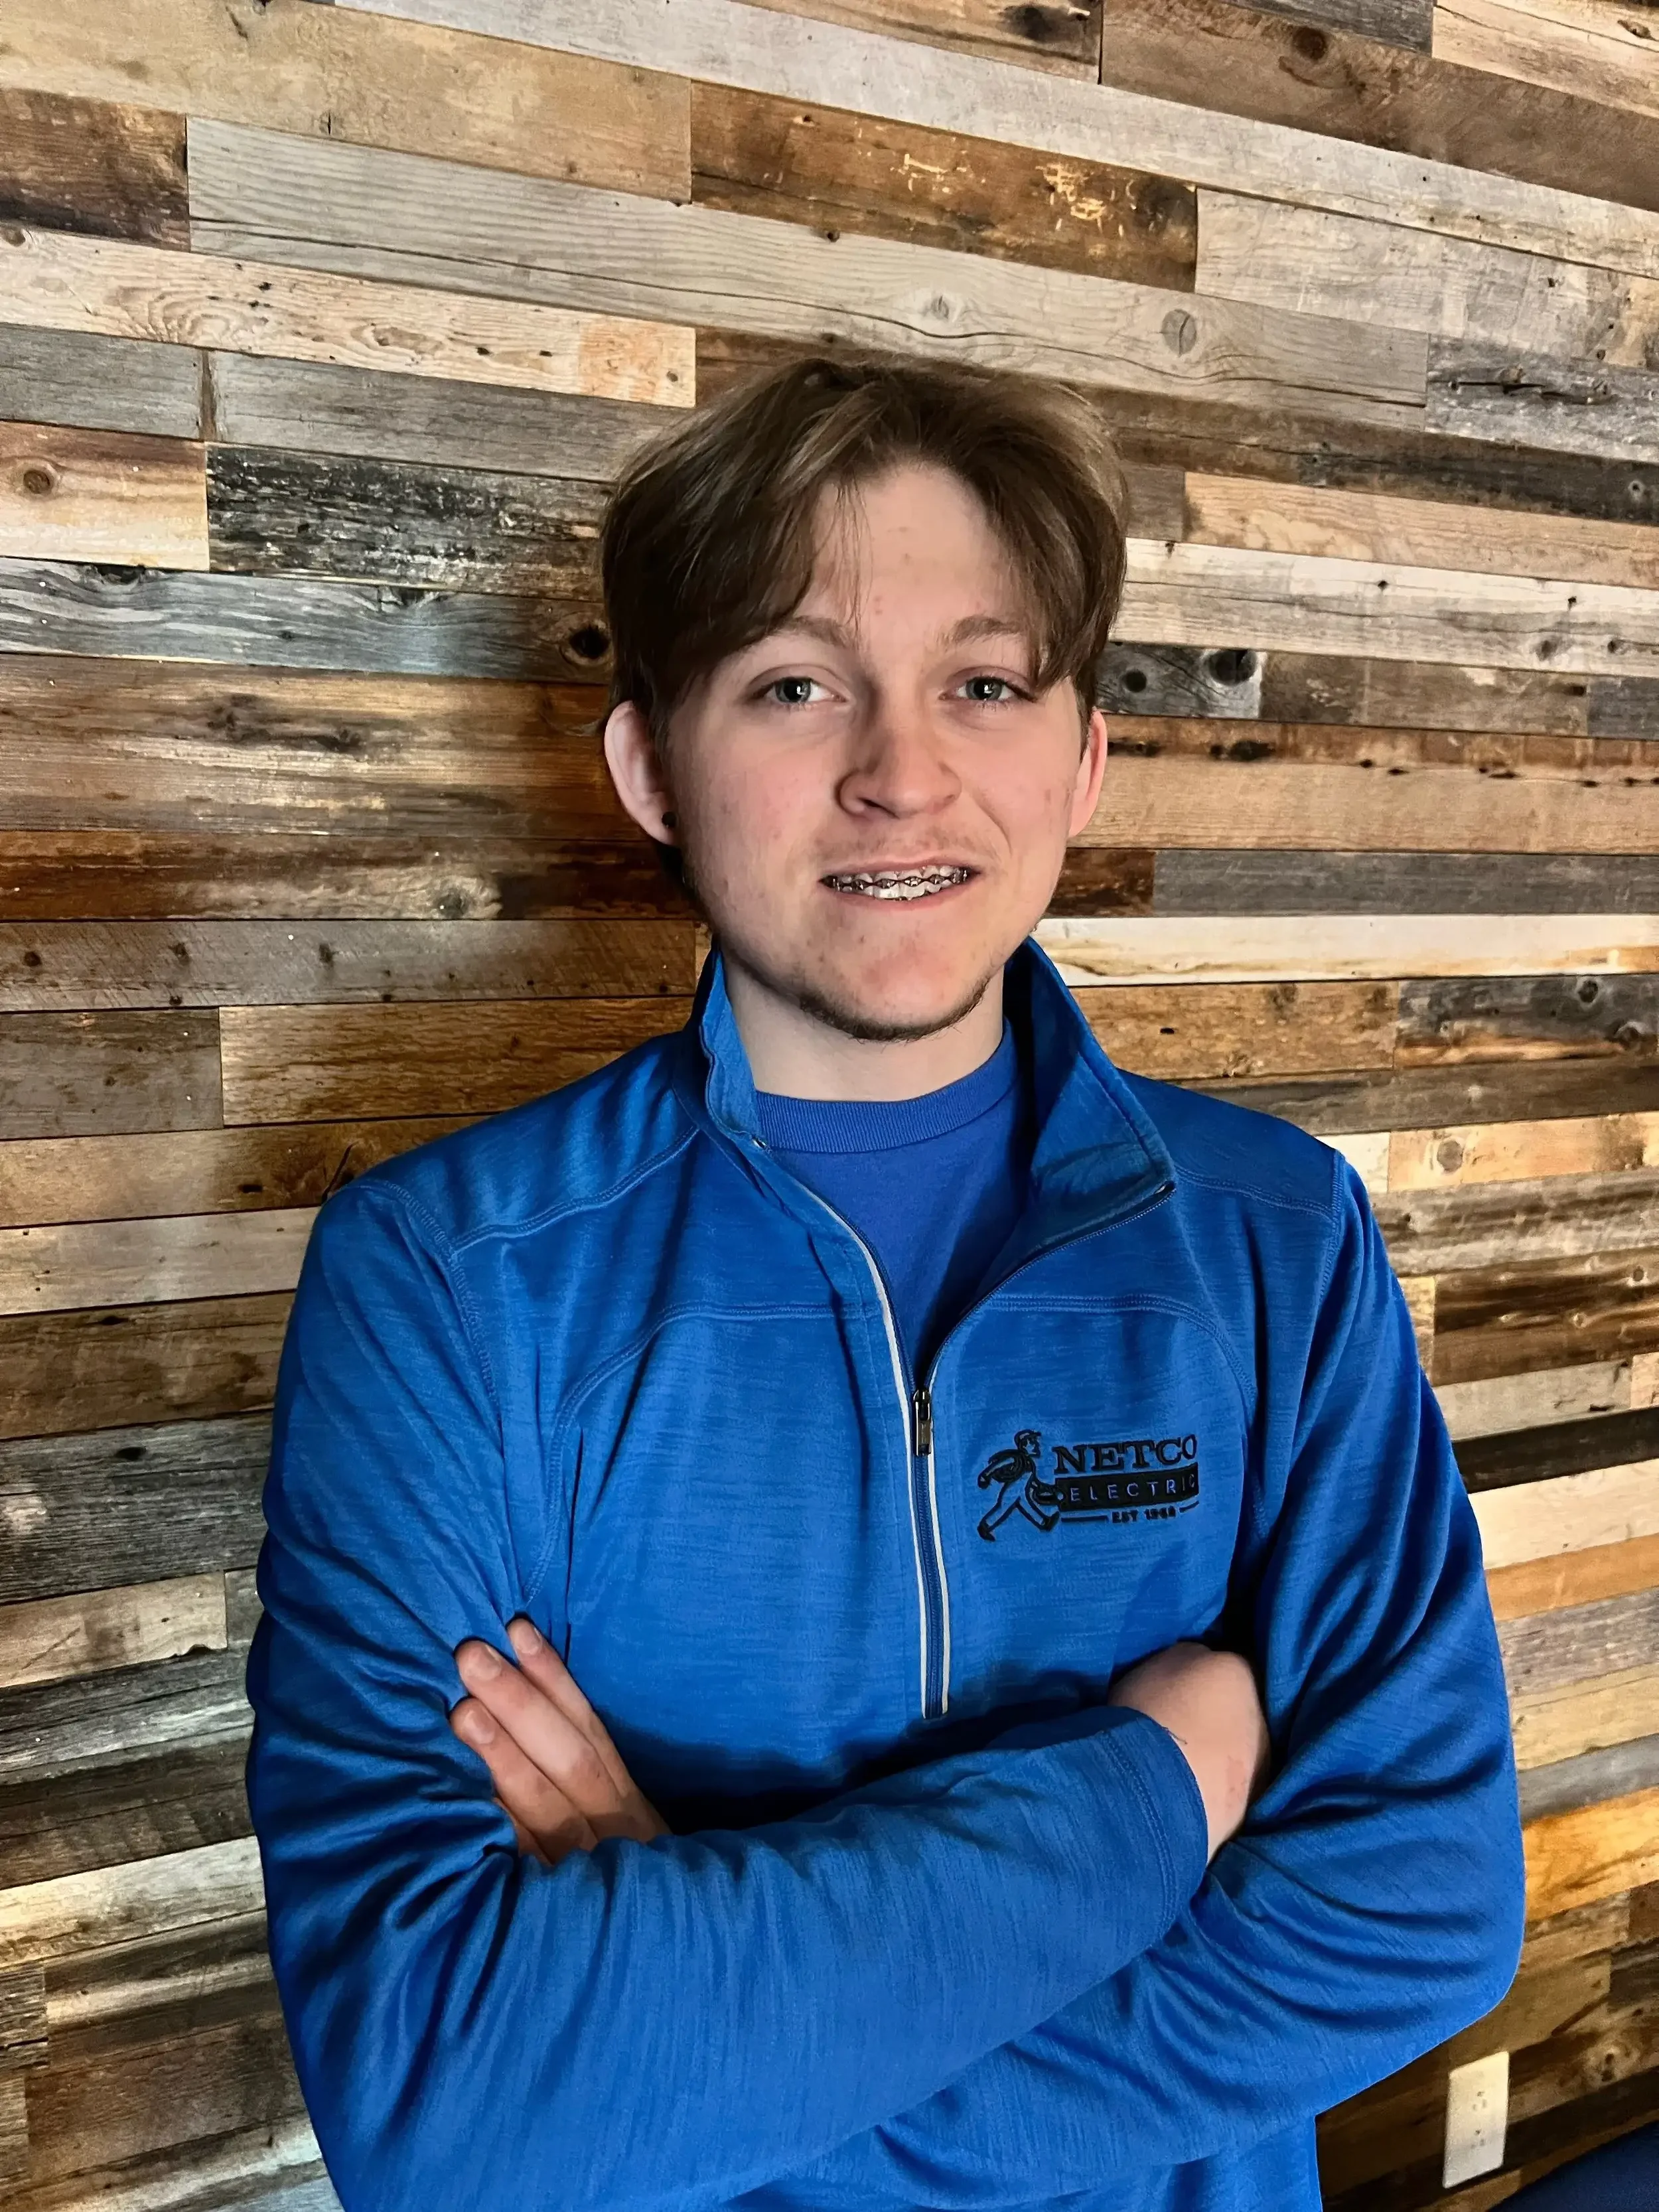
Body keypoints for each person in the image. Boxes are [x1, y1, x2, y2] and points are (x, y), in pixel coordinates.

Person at [244, 356, 1526, 2212]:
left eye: (983, 684)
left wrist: (703, 2005)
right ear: (649, 768)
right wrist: (1158, 1784)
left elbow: (1413, 1914)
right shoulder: (446, 1283)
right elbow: (451, 2109)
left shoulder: (1276, 1240)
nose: (900, 771)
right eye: (790, 685)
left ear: (1080, 754)